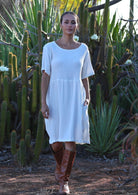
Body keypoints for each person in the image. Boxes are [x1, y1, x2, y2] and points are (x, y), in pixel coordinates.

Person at [41, 11, 95, 195]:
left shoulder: (83, 49)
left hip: (75, 97)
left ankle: (64, 182)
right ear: (61, 25)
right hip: (55, 97)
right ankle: (60, 168)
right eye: (66, 22)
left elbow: (85, 76)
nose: (70, 25)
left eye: (73, 22)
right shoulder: (50, 48)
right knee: (56, 141)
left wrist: (87, 96)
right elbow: (45, 75)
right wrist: (43, 102)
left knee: (70, 140)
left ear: (77, 26)